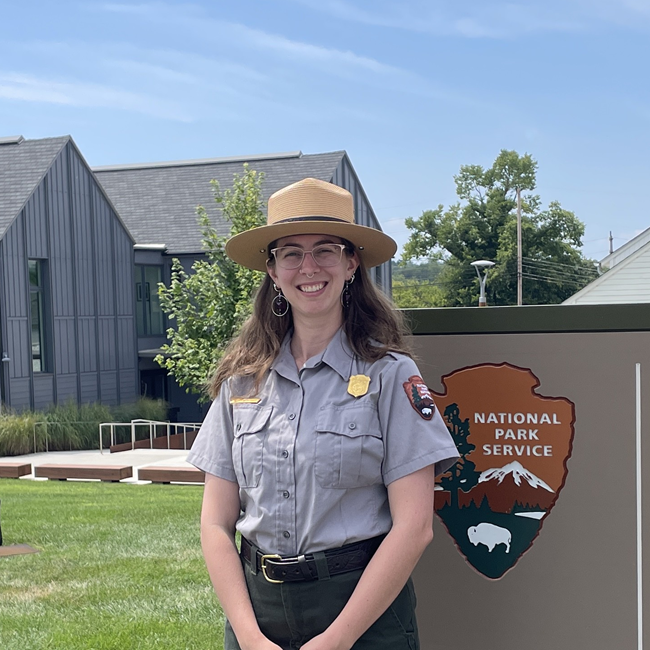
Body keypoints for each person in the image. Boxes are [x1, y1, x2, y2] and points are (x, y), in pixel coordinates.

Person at [187, 177, 459, 650]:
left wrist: (336, 639)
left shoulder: (391, 376)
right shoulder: (241, 381)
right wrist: (249, 637)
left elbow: (414, 527)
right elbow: (214, 523)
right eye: (290, 252)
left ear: (351, 262)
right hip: (258, 613)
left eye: (325, 250)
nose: (308, 267)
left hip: (362, 613)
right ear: (272, 270)